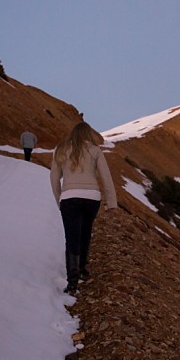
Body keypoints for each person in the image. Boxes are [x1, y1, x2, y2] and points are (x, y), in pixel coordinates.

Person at [49, 122, 117, 294]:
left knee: (72, 237)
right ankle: (83, 268)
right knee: (86, 232)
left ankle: (72, 281)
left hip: (69, 198)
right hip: (91, 198)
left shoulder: (61, 149)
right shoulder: (95, 150)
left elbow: (54, 178)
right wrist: (111, 203)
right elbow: (106, 178)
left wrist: (60, 200)